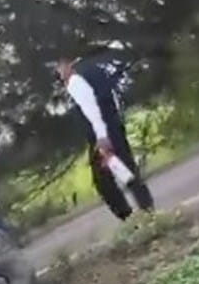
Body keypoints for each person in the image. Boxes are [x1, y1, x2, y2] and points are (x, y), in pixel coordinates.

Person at [56, 57, 154, 221]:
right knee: (125, 171)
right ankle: (146, 211)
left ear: (66, 65)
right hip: (112, 126)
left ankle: (134, 217)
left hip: (101, 133)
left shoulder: (75, 81)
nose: (59, 75)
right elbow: (112, 98)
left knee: (106, 181)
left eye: (59, 69)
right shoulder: (94, 71)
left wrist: (101, 136)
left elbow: (91, 108)